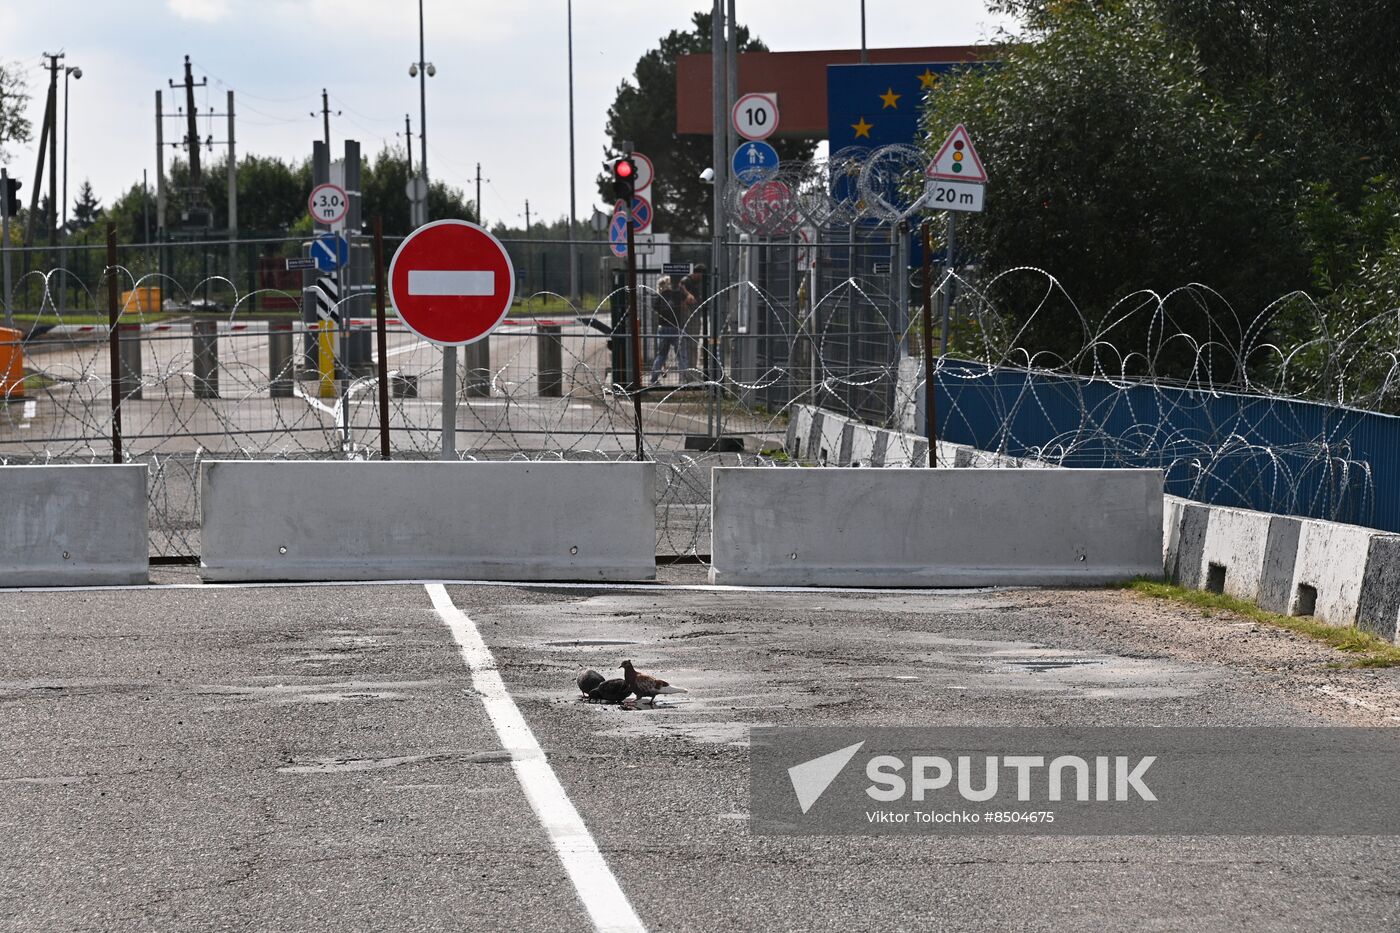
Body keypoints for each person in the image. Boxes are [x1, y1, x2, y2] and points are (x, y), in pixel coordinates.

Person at [649, 276, 689, 385]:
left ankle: (653, 380)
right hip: (676, 327)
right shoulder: (676, 294)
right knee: (681, 355)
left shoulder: (659, 298)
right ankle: (682, 380)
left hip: (663, 328)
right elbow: (689, 300)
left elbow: (655, 309)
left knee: (661, 355)